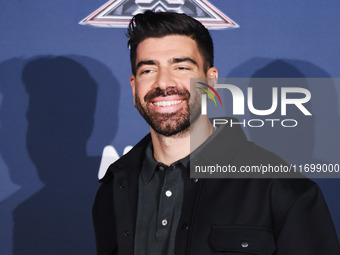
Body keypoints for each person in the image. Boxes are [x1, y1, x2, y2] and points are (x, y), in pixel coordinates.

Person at [92, 11, 340, 255]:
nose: (163, 83)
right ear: (134, 87)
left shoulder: (281, 190)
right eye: (148, 70)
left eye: (181, 67)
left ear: (211, 82)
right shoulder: (113, 191)